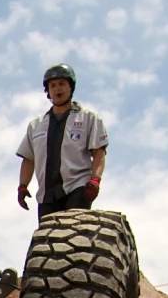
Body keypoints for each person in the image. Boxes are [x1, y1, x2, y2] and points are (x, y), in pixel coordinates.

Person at [15, 64, 108, 218]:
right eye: (53, 85)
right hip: (47, 194)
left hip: (78, 186)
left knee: (75, 234)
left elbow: (99, 152)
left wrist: (95, 179)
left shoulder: (88, 118)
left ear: (70, 87)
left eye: (62, 84)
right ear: (48, 91)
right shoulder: (36, 125)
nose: (57, 89)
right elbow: (28, 159)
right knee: (49, 239)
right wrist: (22, 186)